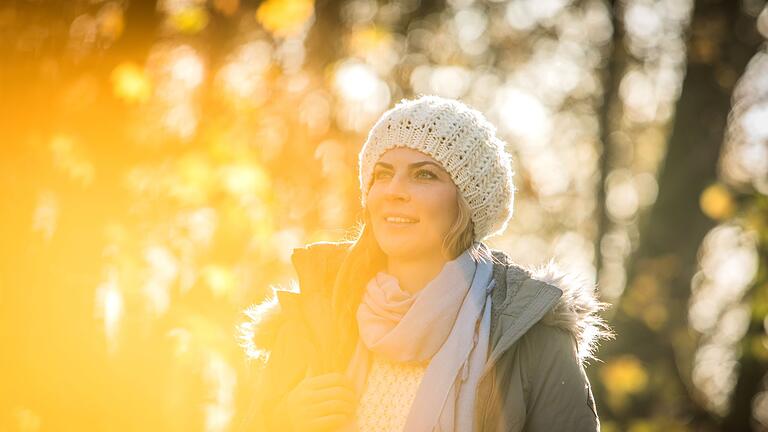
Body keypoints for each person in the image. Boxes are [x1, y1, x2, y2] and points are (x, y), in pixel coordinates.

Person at [237, 95, 611, 432]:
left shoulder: (530, 336)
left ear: (467, 202)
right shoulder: (314, 316)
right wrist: (283, 419)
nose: (394, 191)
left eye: (424, 174)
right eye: (383, 174)